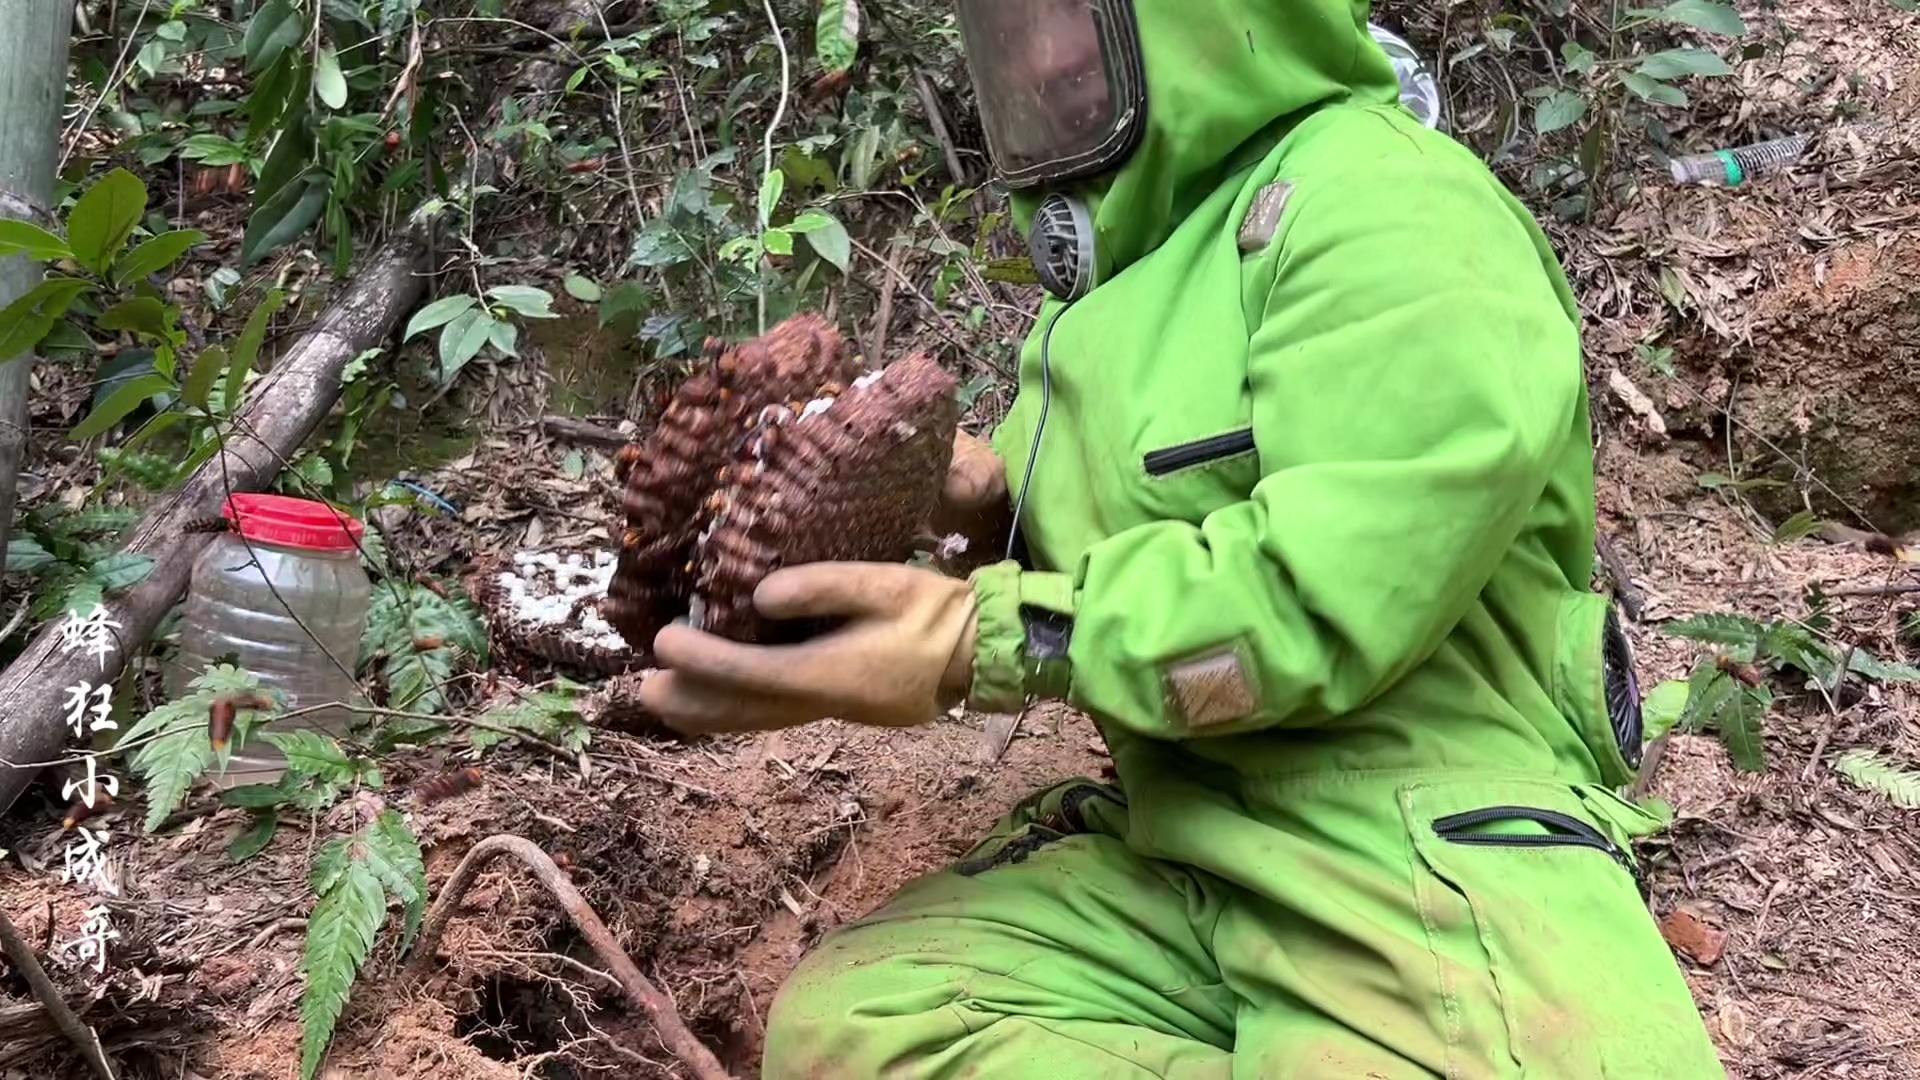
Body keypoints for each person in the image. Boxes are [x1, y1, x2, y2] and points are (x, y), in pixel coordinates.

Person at [637, 0, 1728, 1075]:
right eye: (1009, 28)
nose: (1043, 57)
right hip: (1189, 836)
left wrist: (980, 640)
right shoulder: (1120, 282)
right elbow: (1081, 549)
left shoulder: (1393, 200)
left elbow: (1314, 597)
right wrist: (966, 501)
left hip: (1418, 845)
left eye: (1065, 13)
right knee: (861, 1025)